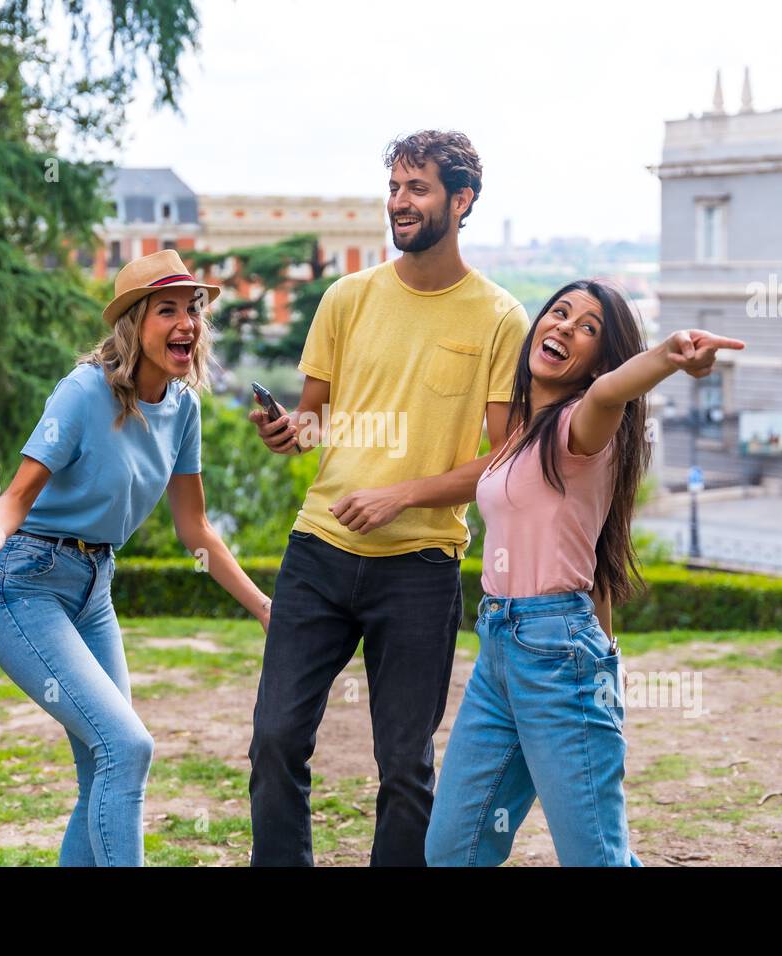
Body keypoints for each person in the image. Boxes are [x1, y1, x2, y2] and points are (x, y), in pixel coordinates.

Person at [246, 130, 530, 866]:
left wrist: (404, 495)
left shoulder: (500, 317)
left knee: (404, 767)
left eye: (418, 189)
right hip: (319, 550)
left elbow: (504, 457)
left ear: (460, 201)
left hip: (420, 566)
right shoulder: (348, 298)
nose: (400, 204)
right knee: (274, 739)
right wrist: (287, 430)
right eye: (395, 189)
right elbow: (315, 420)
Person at [0, 249, 272, 867]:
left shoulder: (184, 409)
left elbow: (195, 527)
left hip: (95, 588)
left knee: (105, 765)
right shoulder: (84, 391)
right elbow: (18, 496)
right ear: (133, 324)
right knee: (127, 746)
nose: (186, 324)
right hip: (28, 585)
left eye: (192, 311)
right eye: (167, 310)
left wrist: (263, 607)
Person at [425, 280, 743, 866]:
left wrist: (671, 355)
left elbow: (610, 394)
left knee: (594, 857)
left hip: (553, 653)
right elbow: (590, 562)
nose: (566, 327)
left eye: (589, 328)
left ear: (601, 357)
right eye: (560, 313)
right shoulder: (522, 438)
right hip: (500, 649)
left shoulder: (584, 424)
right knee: (453, 850)